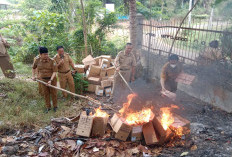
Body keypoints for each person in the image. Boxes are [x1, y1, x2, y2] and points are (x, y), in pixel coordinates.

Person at [32, 47, 58, 113]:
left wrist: (50, 80)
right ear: (40, 54)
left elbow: (55, 72)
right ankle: (48, 107)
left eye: (47, 54)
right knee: (46, 94)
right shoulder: (37, 60)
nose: (46, 56)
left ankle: (55, 106)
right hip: (43, 80)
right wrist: (33, 76)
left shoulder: (52, 61)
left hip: (52, 79)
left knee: (53, 93)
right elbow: (33, 68)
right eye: (44, 54)